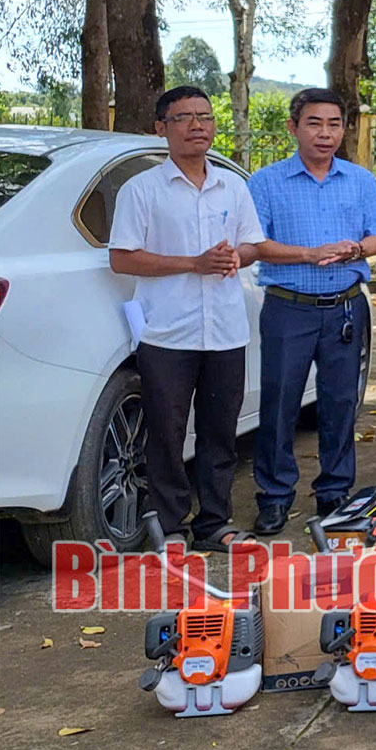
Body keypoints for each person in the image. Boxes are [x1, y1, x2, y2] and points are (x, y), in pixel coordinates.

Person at [108, 86, 268, 550]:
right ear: (162, 129)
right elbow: (122, 258)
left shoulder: (233, 186)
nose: (197, 126)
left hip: (225, 329)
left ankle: (215, 522)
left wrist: (232, 256)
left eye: (205, 116)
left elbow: (254, 244)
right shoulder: (142, 190)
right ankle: (171, 526)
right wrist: (192, 263)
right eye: (183, 118)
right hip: (167, 331)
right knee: (166, 432)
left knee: (221, 432)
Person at [245, 88, 376, 535]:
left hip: (345, 308)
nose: (324, 134)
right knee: (279, 406)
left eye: (333, 124)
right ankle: (274, 496)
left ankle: (334, 492)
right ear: (293, 128)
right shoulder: (266, 182)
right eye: (314, 123)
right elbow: (255, 245)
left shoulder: (360, 180)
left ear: (344, 130)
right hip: (289, 309)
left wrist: (356, 249)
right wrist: (309, 255)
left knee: (340, 403)